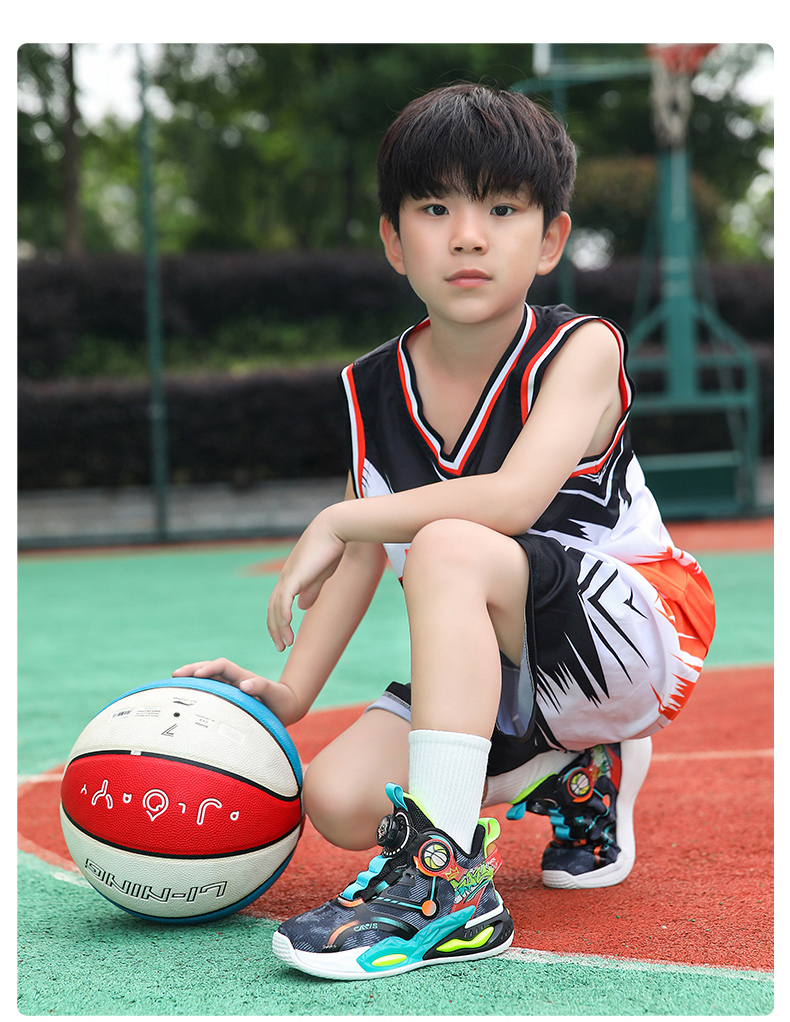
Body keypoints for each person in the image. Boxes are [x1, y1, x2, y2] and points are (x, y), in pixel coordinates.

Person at [174, 82, 715, 980]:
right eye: (434, 209)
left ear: (550, 239)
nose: (468, 235)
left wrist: (340, 513)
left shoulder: (581, 347)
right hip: (509, 667)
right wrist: (290, 694)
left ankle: (447, 885)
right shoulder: (374, 384)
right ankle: (577, 775)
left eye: (501, 210)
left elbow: (507, 502)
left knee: (450, 542)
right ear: (395, 241)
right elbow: (362, 557)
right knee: (341, 799)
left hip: (638, 634)